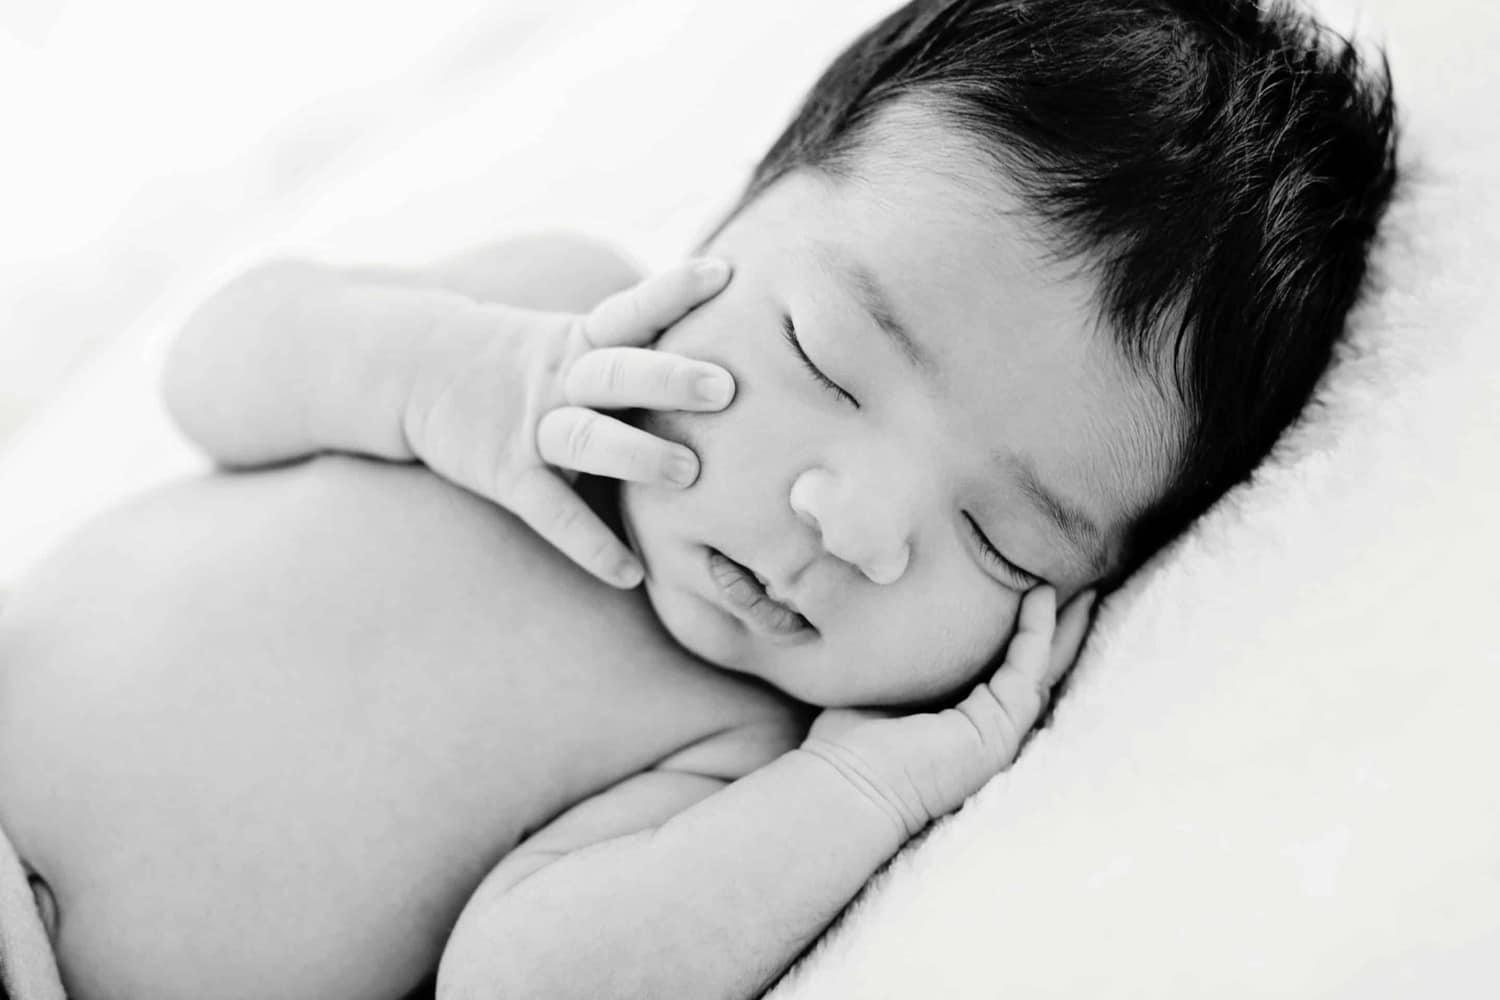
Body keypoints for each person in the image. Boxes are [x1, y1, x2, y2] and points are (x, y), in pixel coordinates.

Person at [0, 0, 1396, 998]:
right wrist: (442, 379)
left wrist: (864, 788)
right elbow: (215, 367)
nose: (853, 522)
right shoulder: (551, 309)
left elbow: (528, 979)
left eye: (1000, 535)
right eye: (829, 358)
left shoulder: (740, 742)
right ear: (731, 219)